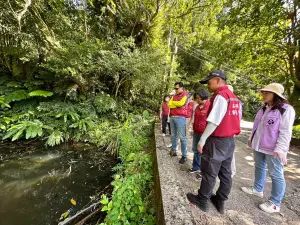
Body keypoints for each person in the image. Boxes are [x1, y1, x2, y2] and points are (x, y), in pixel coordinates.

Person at [187, 70, 241, 214]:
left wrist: (202, 140)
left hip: (217, 140)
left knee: (209, 172)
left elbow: (214, 121)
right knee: (225, 173)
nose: (208, 86)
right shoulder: (233, 97)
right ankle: (220, 200)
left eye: (209, 82)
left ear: (217, 80)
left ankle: (202, 200)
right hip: (229, 141)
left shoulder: (221, 96)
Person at [241, 83, 295, 214]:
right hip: (259, 144)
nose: (263, 95)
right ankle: (257, 189)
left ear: (275, 95)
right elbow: (257, 126)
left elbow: (285, 131)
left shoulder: (286, 109)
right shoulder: (264, 107)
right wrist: (252, 139)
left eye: (267, 93)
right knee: (259, 167)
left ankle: (275, 203)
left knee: (276, 174)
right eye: (263, 92)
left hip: (274, 148)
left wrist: (281, 149)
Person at [189, 90, 210, 174]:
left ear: (203, 97)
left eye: (198, 98)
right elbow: (195, 119)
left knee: (204, 151)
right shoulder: (197, 107)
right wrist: (192, 129)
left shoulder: (210, 106)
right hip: (196, 131)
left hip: (205, 132)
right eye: (196, 98)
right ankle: (196, 166)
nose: (196, 99)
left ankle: (203, 171)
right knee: (195, 149)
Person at [168, 82, 188, 164]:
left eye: (177, 88)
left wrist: (175, 104)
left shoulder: (185, 95)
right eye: (175, 88)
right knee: (173, 135)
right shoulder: (174, 96)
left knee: (182, 137)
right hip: (172, 117)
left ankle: (184, 155)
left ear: (181, 88)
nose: (175, 90)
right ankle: (174, 150)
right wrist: (176, 104)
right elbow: (169, 105)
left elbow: (181, 104)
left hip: (180, 118)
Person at [227, 85, 243, 178]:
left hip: (230, 130)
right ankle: (230, 171)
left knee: (229, 152)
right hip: (229, 129)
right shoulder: (235, 101)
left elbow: (237, 117)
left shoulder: (234, 102)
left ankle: (232, 171)